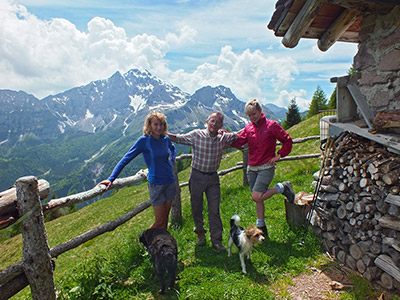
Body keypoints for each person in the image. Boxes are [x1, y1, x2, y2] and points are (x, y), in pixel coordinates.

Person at [167, 111, 238, 251]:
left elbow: (238, 135)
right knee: (196, 207)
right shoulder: (196, 135)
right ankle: (200, 233)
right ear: (207, 121)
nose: (214, 124)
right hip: (197, 176)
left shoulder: (223, 137)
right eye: (212, 121)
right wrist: (160, 132)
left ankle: (216, 241)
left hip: (213, 178)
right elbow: (177, 138)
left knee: (214, 210)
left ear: (221, 125)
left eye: (217, 122)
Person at [99, 112, 176, 229]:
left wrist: (173, 159)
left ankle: (162, 245)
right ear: (149, 125)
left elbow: (172, 148)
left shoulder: (165, 139)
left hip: (170, 182)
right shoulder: (144, 141)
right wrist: (111, 178)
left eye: (161, 124)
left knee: (165, 218)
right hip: (156, 184)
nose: (159, 127)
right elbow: (125, 159)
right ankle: (145, 240)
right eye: (155, 124)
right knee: (159, 220)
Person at [232, 99, 295, 238]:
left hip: (266, 166)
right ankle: (261, 227)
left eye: (254, 114)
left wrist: (279, 155)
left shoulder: (272, 125)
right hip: (252, 168)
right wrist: (224, 135)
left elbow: (287, 140)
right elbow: (239, 141)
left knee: (256, 195)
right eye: (249, 115)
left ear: (261, 111)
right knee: (258, 199)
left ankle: (282, 188)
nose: (252, 117)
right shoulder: (248, 128)